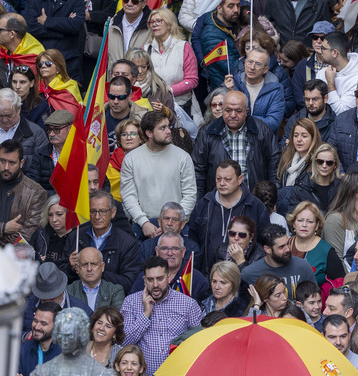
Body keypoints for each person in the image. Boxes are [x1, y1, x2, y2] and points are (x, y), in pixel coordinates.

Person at [119, 111, 196, 239]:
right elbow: (128, 196)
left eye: (168, 126)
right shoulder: (131, 159)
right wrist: (144, 222)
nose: (169, 131)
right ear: (149, 133)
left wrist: (173, 222)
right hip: (143, 223)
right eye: (162, 128)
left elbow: (190, 195)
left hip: (177, 224)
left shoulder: (183, 157)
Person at [120, 257, 202, 374]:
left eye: (160, 279)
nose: (155, 284)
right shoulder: (131, 302)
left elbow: (199, 341)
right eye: (150, 279)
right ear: (144, 280)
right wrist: (145, 314)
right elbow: (124, 342)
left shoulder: (188, 304)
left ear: (169, 277)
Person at [192, 91, 280, 198]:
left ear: (246, 111)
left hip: (255, 200)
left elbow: (275, 166)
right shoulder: (208, 133)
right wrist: (200, 203)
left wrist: (272, 199)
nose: (233, 115)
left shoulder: (261, 130)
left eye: (238, 111)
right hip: (218, 201)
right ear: (223, 109)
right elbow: (198, 171)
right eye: (228, 110)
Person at [0, 140, 47, 246]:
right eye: (2, 161)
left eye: (12, 163)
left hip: (15, 256)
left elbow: (27, 236)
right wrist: (3, 228)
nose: (6, 167)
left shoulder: (36, 193)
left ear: (21, 163)